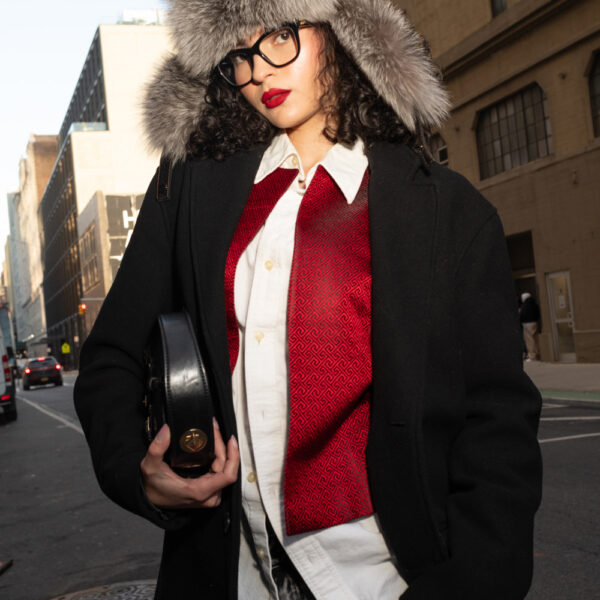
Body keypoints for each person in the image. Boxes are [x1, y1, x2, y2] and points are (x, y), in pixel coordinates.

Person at [74, 1, 543, 599]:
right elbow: (111, 356)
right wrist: (137, 471)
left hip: (382, 579)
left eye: (279, 35)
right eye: (239, 54)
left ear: (343, 29)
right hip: (227, 573)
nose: (259, 71)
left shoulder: (446, 210)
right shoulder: (190, 186)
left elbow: (497, 424)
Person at [520, 292, 541, 361]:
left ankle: (532, 356)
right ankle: (537, 353)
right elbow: (538, 314)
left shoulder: (525, 306)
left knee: (529, 341)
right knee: (535, 339)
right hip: (535, 322)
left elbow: (522, 315)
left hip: (527, 324)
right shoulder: (534, 304)